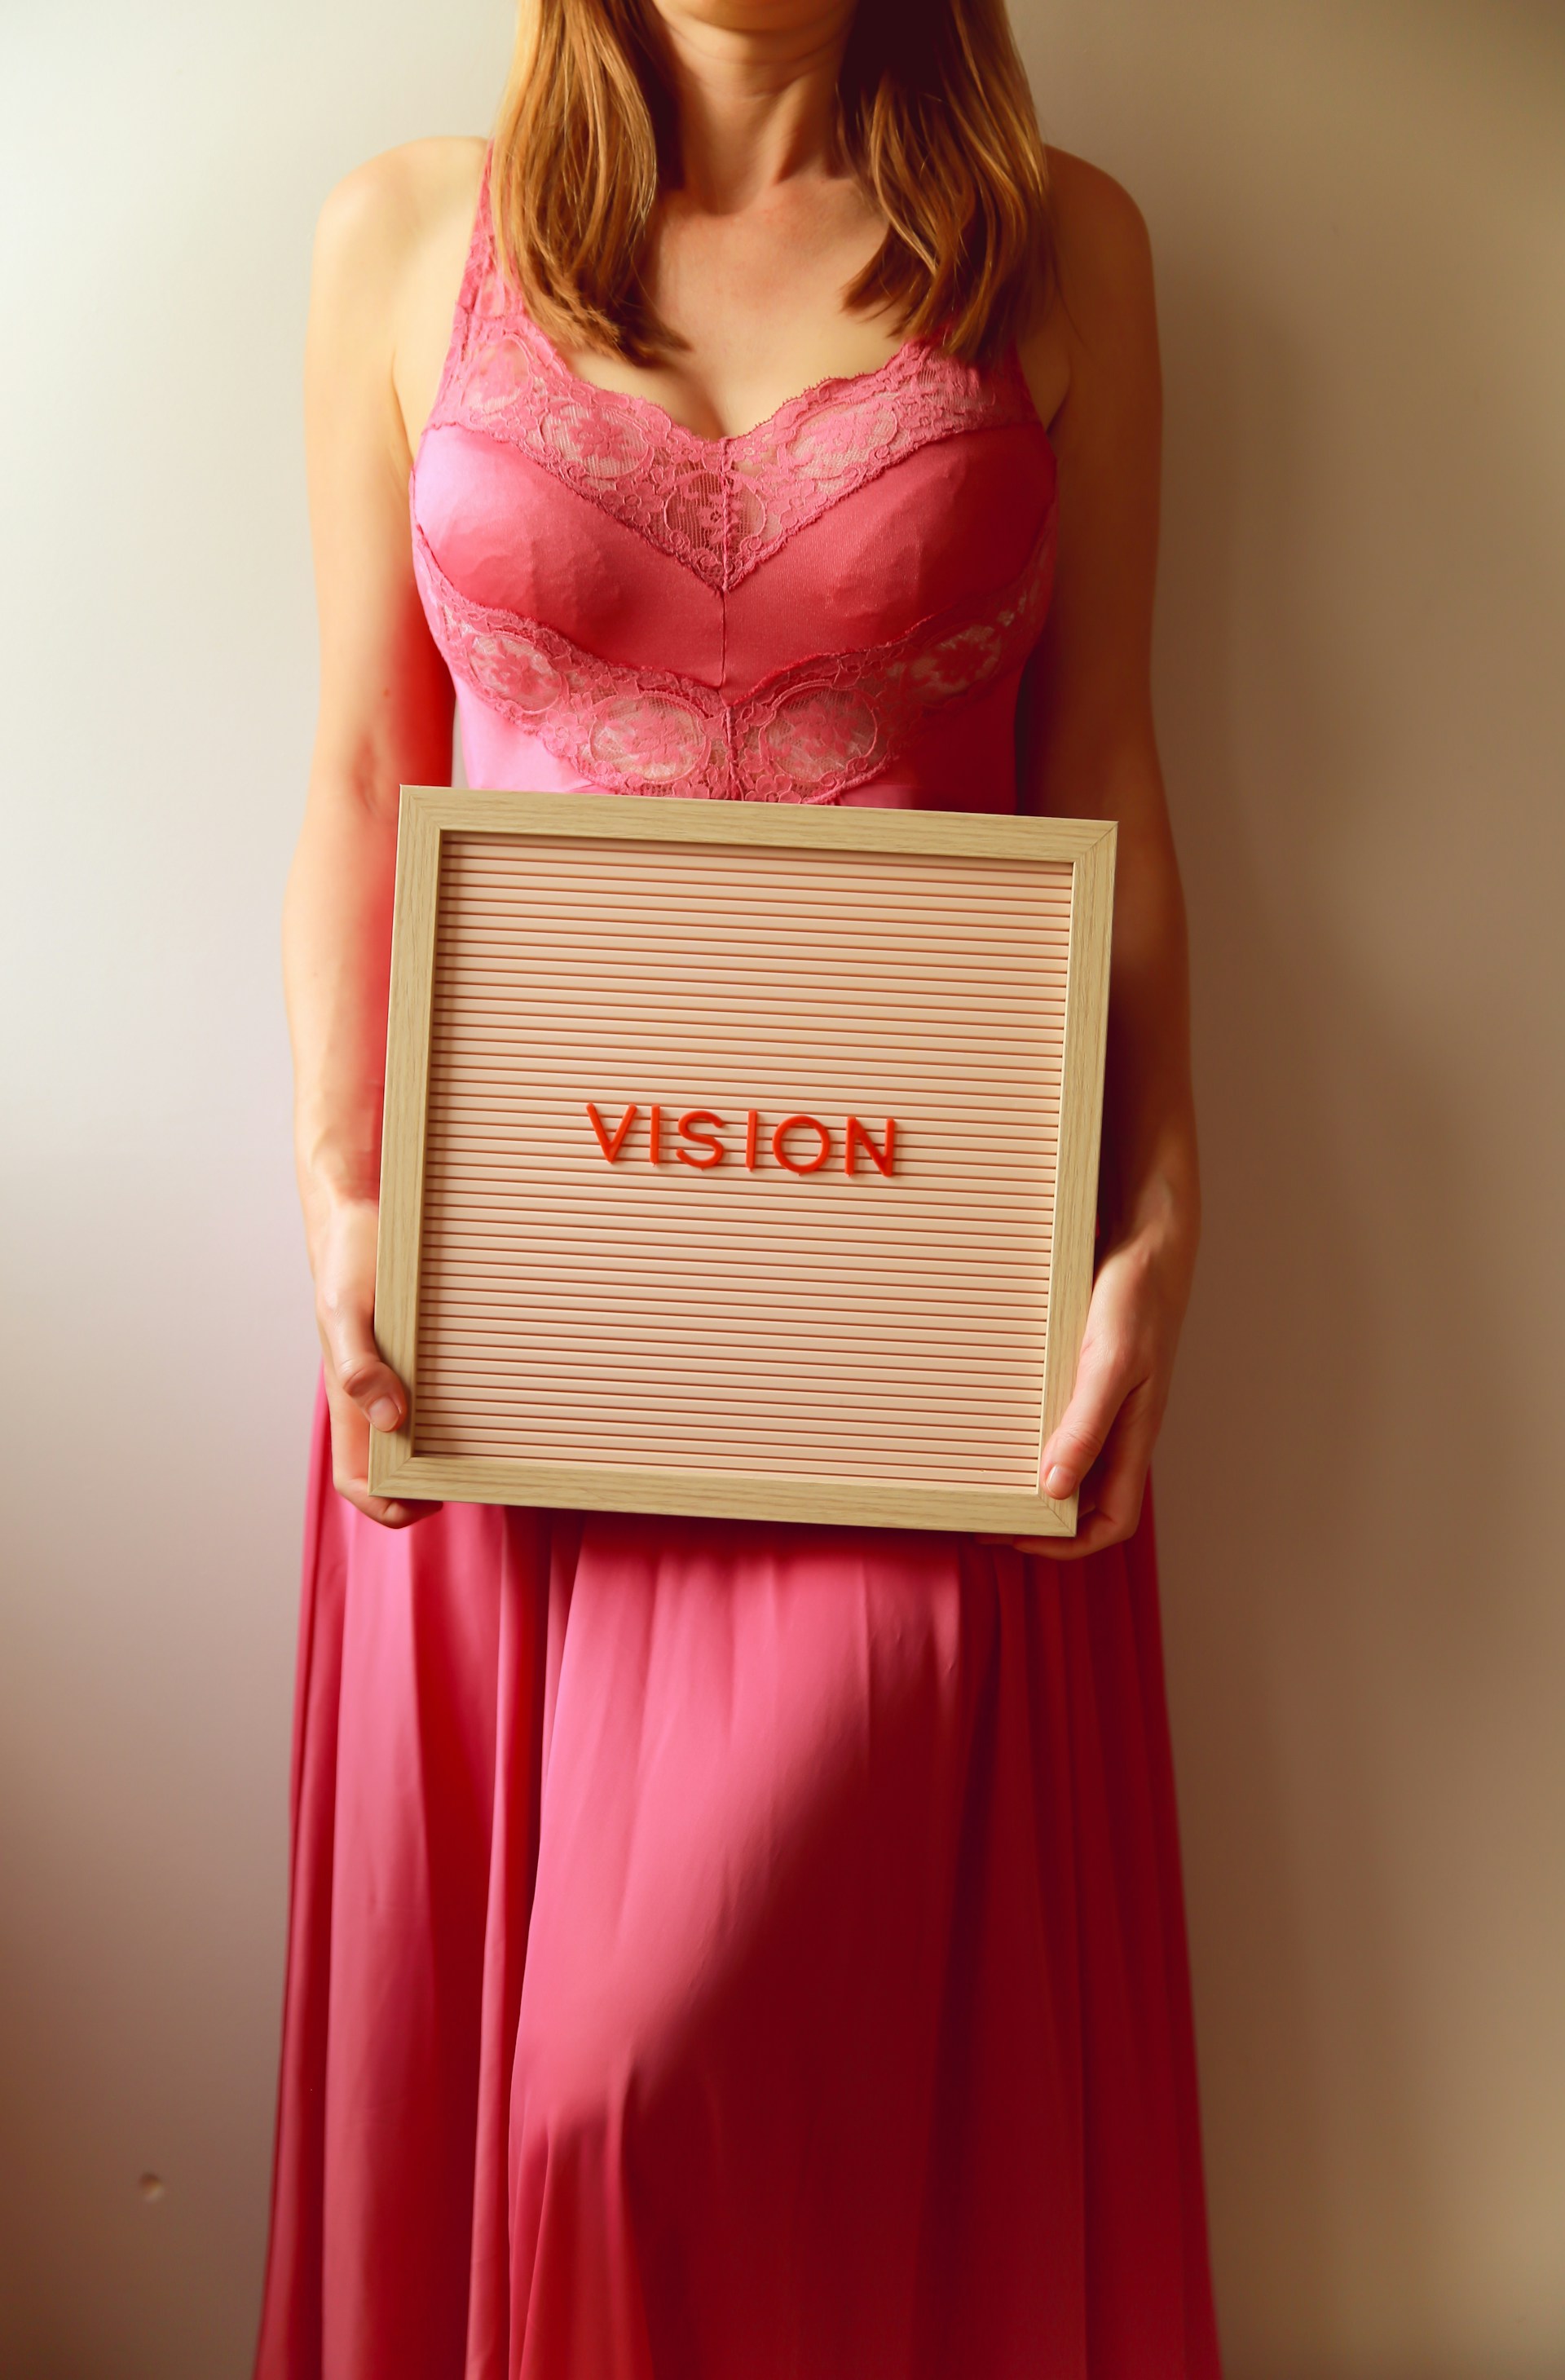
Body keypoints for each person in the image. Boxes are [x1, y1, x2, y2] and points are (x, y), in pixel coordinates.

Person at [256, 0, 1215, 2369]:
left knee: (638, 2086)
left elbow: (1108, 773)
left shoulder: (1065, 249)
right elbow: (363, 775)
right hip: (500, 1326)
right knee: (569, 2103)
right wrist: (344, 1196)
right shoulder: (402, 233)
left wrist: (1167, 1221)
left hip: (909, 1344)